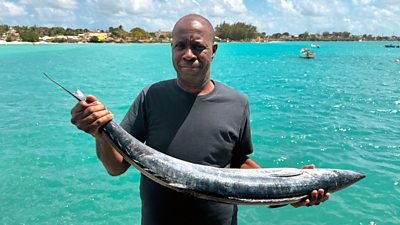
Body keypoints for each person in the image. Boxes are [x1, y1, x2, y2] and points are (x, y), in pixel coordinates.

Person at [70, 14, 329, 225]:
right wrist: (100, 132)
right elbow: (116, 167)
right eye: (180, 46)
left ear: (213, 50)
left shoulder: (237, 102)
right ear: (171, 49)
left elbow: (239, 163)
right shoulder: (151, 96)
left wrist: (292, 189)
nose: (188, 54)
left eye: (198, 46)